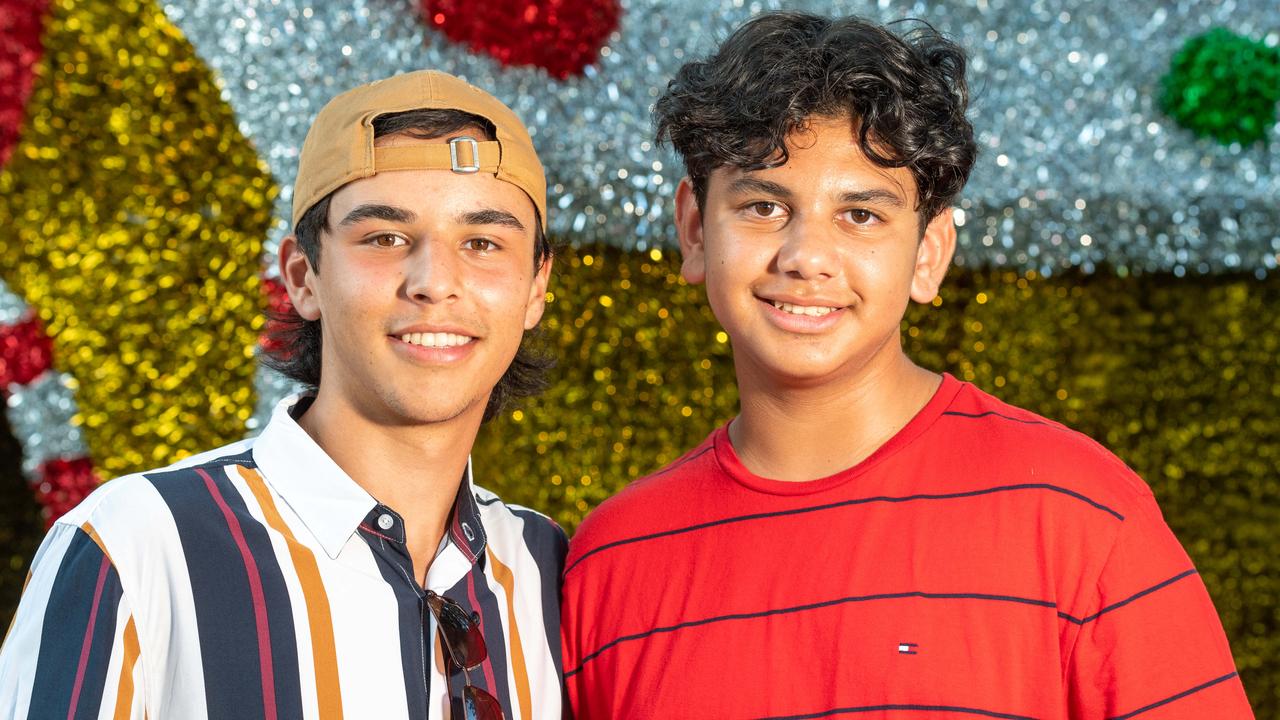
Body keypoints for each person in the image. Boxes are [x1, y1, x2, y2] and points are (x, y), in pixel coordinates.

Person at [561, 12, 1254, 719]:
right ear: (695, 230)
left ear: (929, 254)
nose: (806, 257)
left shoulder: (1079, 515)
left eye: (860, 216)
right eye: (764, 206)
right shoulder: (611, 562)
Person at [0, 70, 565, 720]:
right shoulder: (134, 547)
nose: (435, 282)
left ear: (534, 288)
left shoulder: (553, 570)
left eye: (482, 243)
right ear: (302, 276)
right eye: (384, 237)